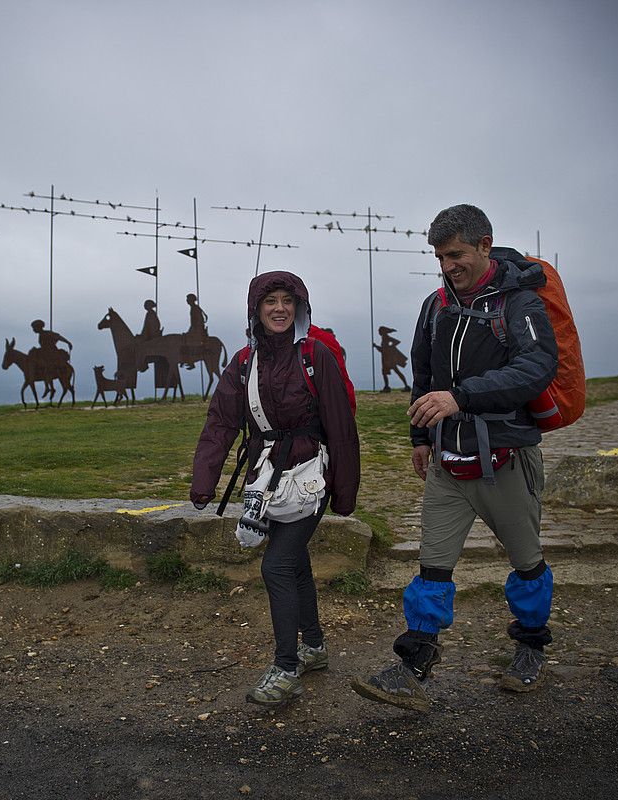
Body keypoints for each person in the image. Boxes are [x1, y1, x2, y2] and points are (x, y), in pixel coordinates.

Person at [352, 204, 558, 712]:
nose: (447, 266)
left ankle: (531, 647)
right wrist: (418, 439)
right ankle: (412, 667)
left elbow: (537, 367)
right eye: (440, 257)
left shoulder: (521, 304)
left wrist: (461, 398)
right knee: (432, 569)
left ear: (485, 245)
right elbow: (422, 376)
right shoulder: (435, 306)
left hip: (506, 458)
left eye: (456, 254)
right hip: (447, 459)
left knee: (527, 564)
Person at [191, 271, 360, 707]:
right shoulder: (244, 362)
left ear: (299, 306)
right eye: (271, 302)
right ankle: (315, 648)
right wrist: (204, 479)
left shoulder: (316, 356)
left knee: (277, 566)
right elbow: (222, 422)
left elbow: (341, 425)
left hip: (310, 475)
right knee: (294, 560)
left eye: (288, 300)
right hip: (266, 476)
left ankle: (286, 669)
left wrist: (344, 491)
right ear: (256, 310)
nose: (279, 308)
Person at [373, 325, 410, 392]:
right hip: (386, 358)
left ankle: (405, 386)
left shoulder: (386, 337)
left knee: (395, 371)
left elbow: (396, 342)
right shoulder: (384, 338)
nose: (378, 332)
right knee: (386, 372)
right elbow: (383, 349)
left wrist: (390, 347)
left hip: (388, 359)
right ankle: (387, 386)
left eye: (379, 331)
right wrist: (376, 346)